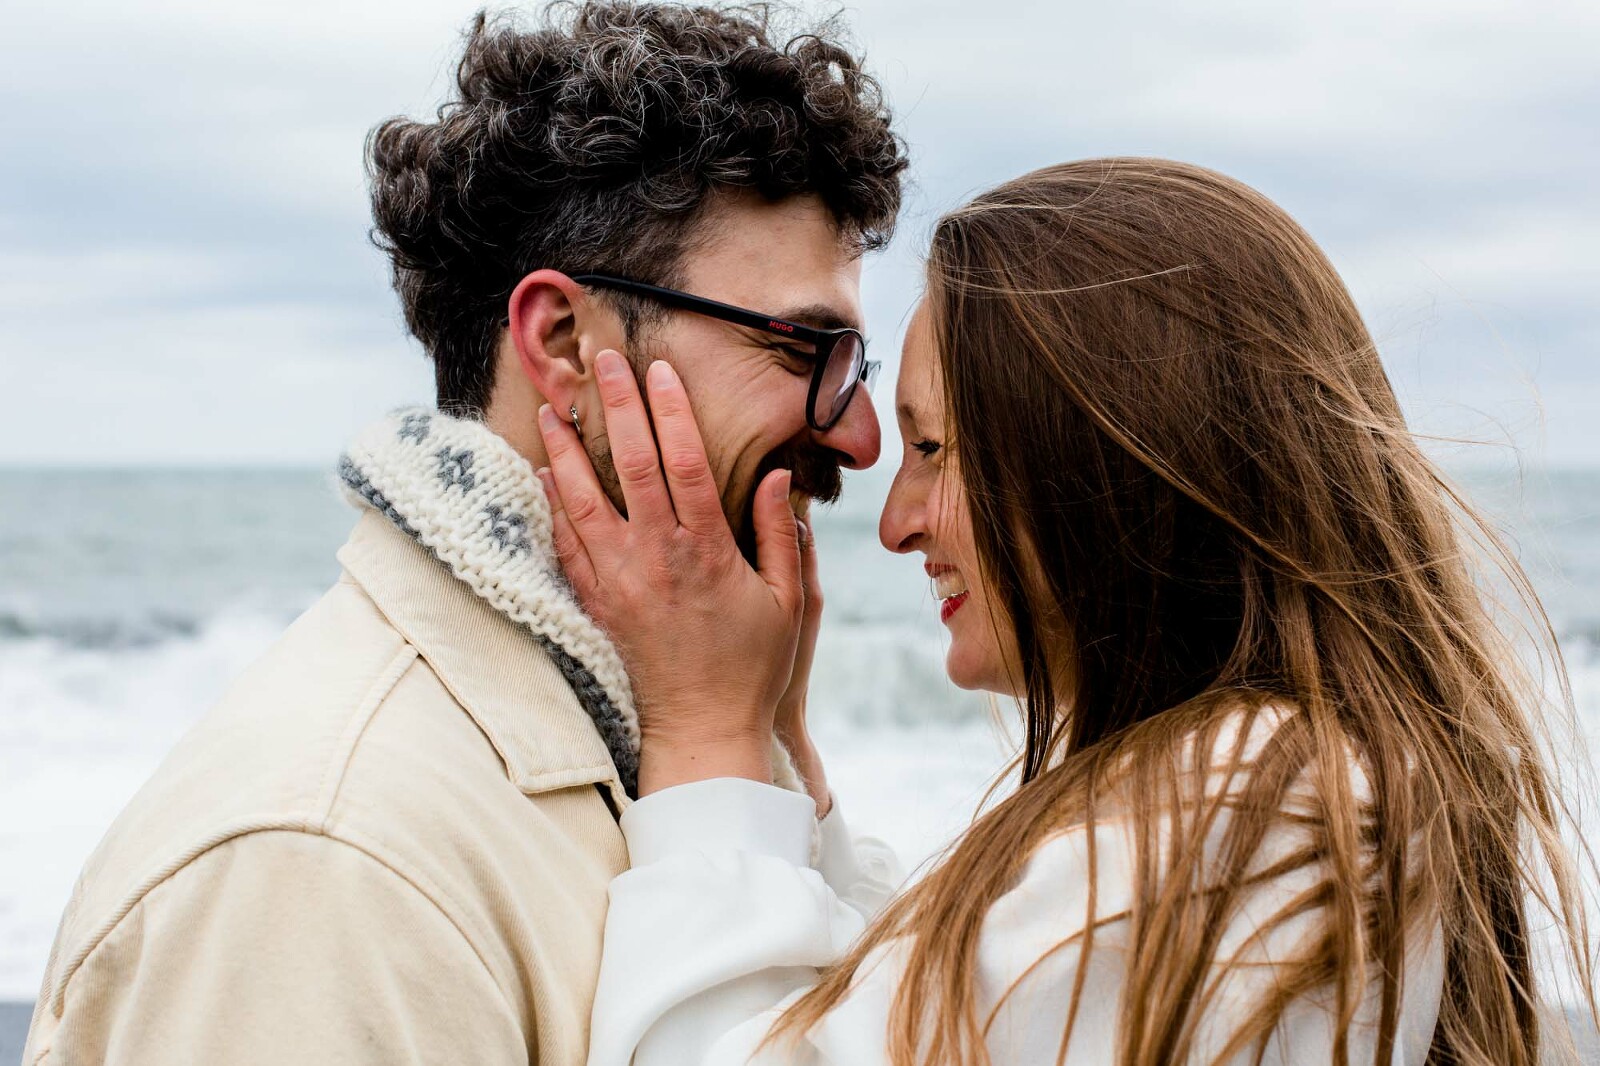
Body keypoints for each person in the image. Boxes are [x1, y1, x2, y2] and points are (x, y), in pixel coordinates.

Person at [539, 158, 1598, 1065]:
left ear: (1108, 460)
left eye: (934, 448)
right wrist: (783, 750)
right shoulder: (1290, 790)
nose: (896, 522)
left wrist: (707, 733)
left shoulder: (1236, 820)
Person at [21, 4, 904, 1063]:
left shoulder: (663, 739)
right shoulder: (327, 859)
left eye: (853, 362)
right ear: (563, 340)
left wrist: (766, 764)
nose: (856, 436)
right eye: (802, 346)